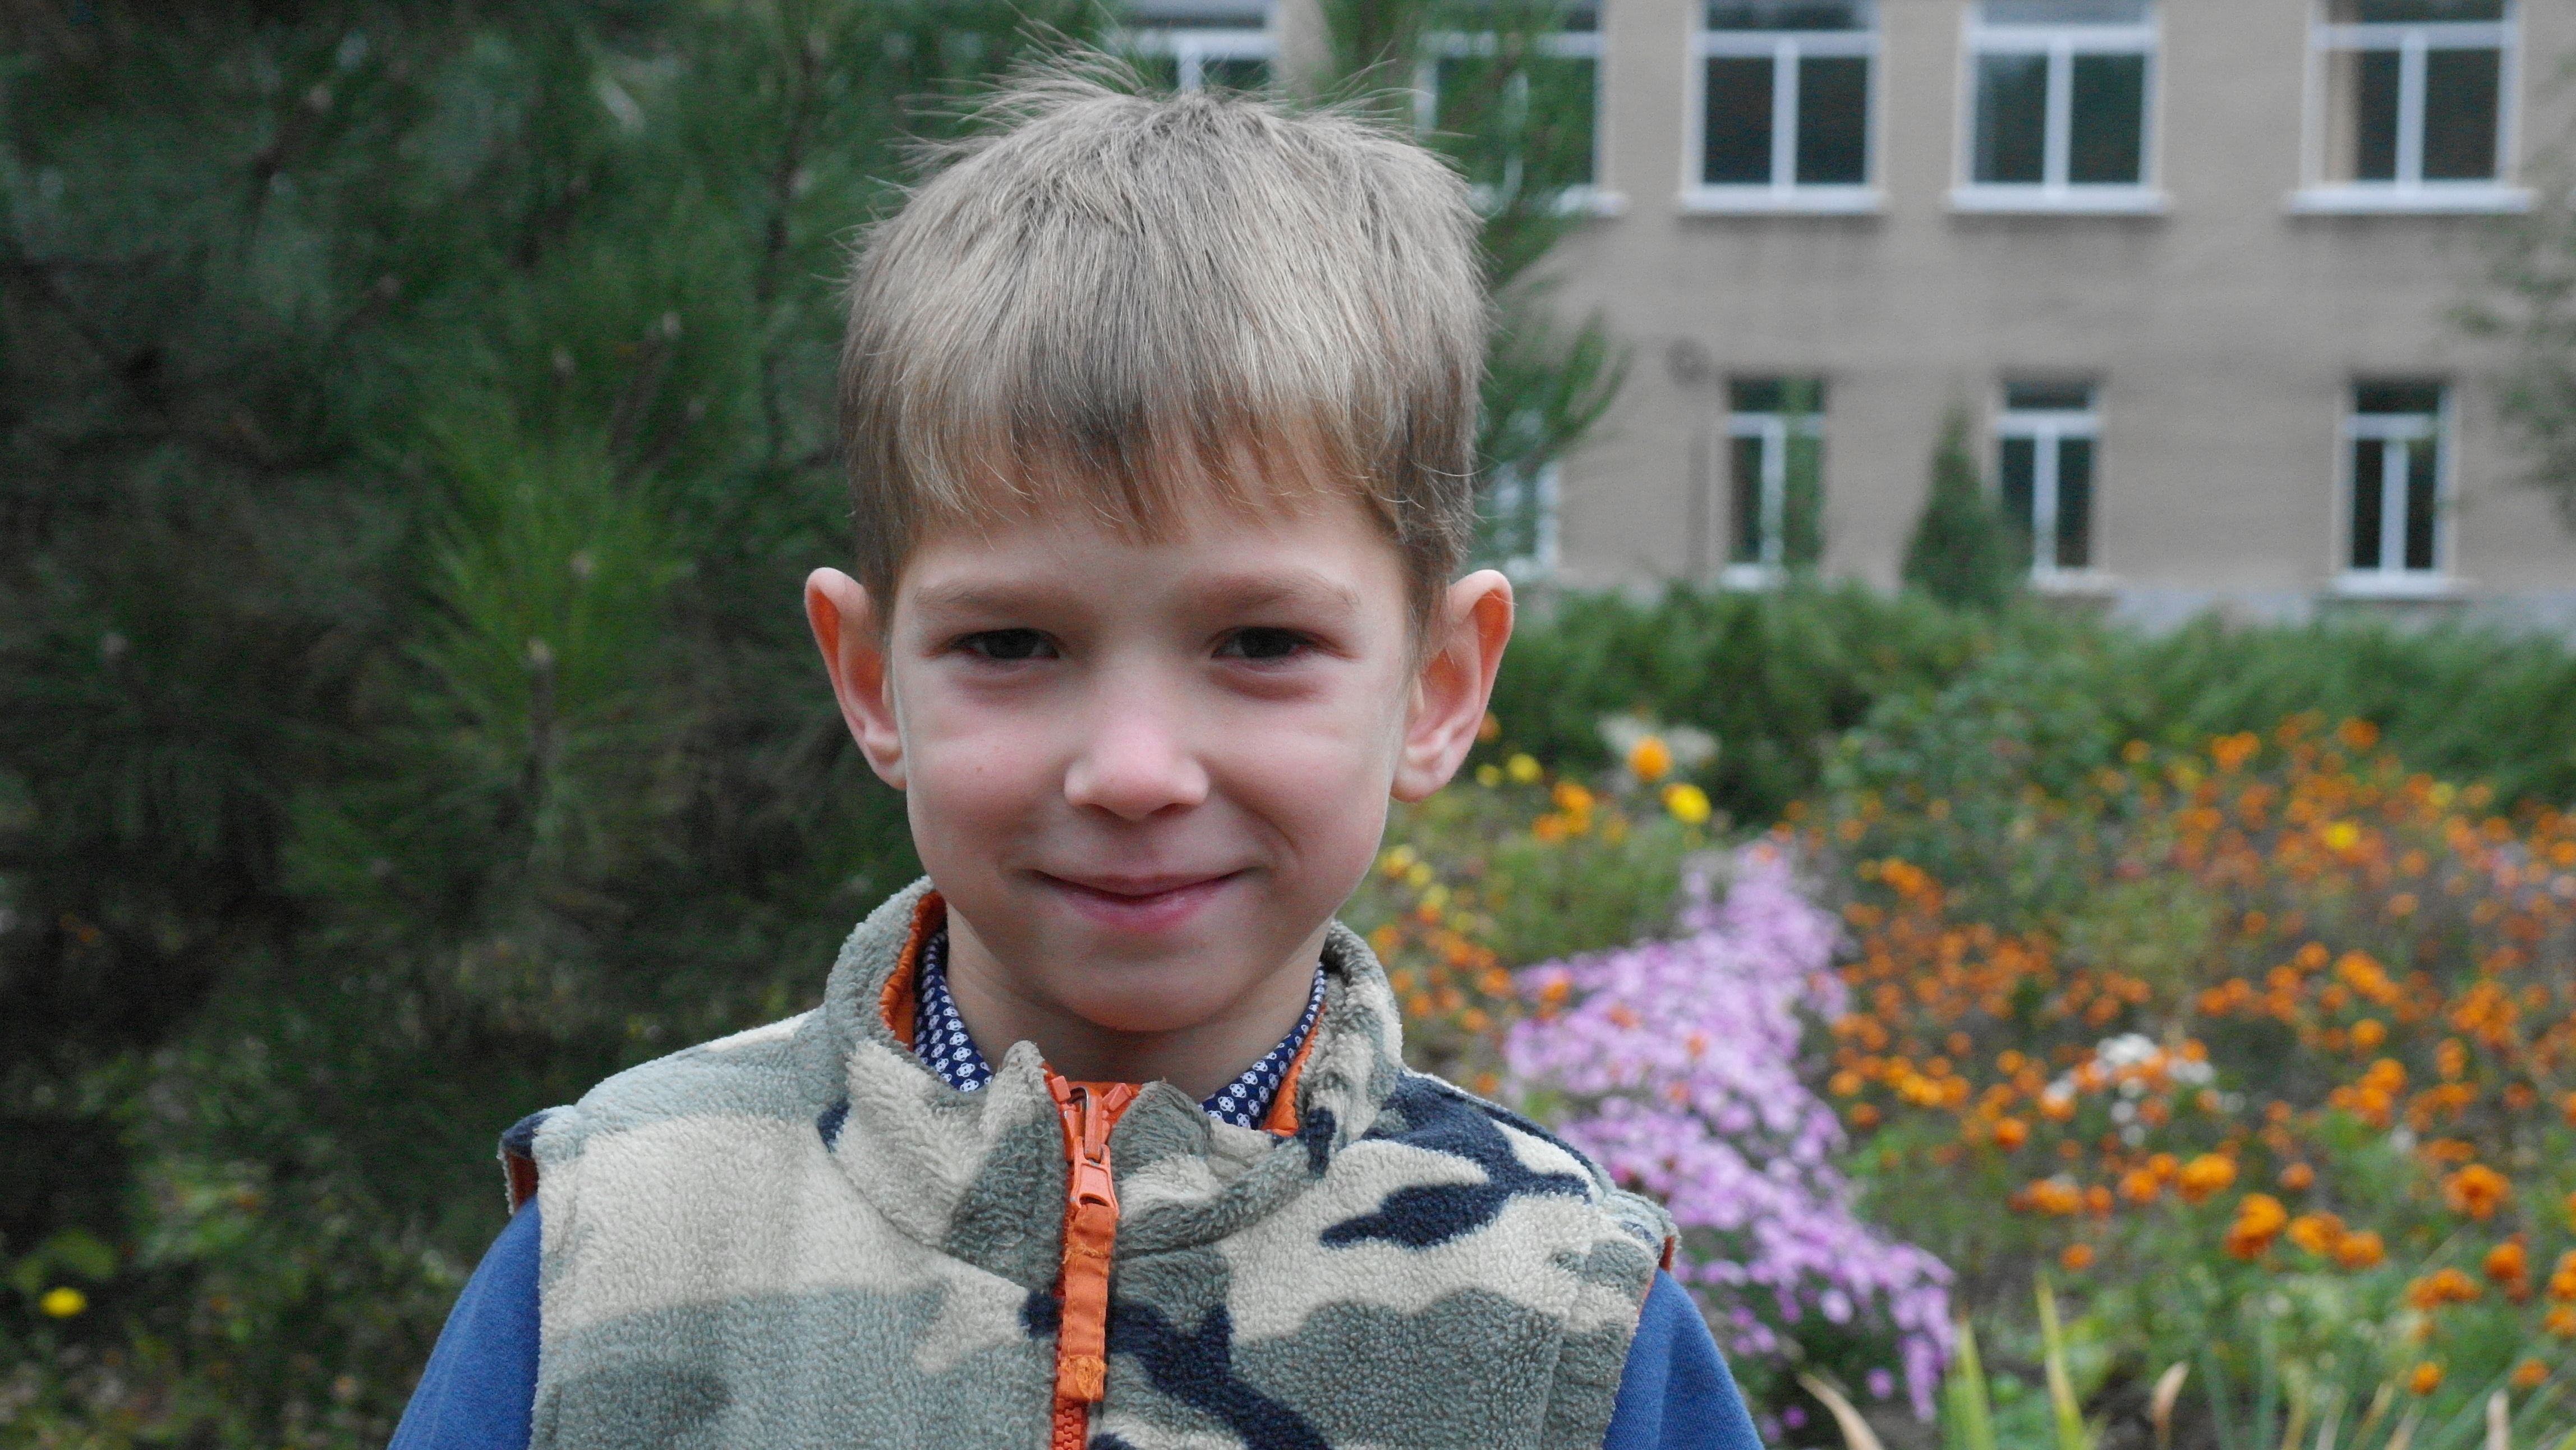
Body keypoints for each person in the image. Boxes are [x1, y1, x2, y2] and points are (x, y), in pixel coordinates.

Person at [389, 68, 1764, 1450]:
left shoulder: (1564, 1322)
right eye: (1010, 643)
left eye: (1262, 641)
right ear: (869, 679)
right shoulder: (615, 1246)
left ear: (1438, 685)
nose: (1132, 770)